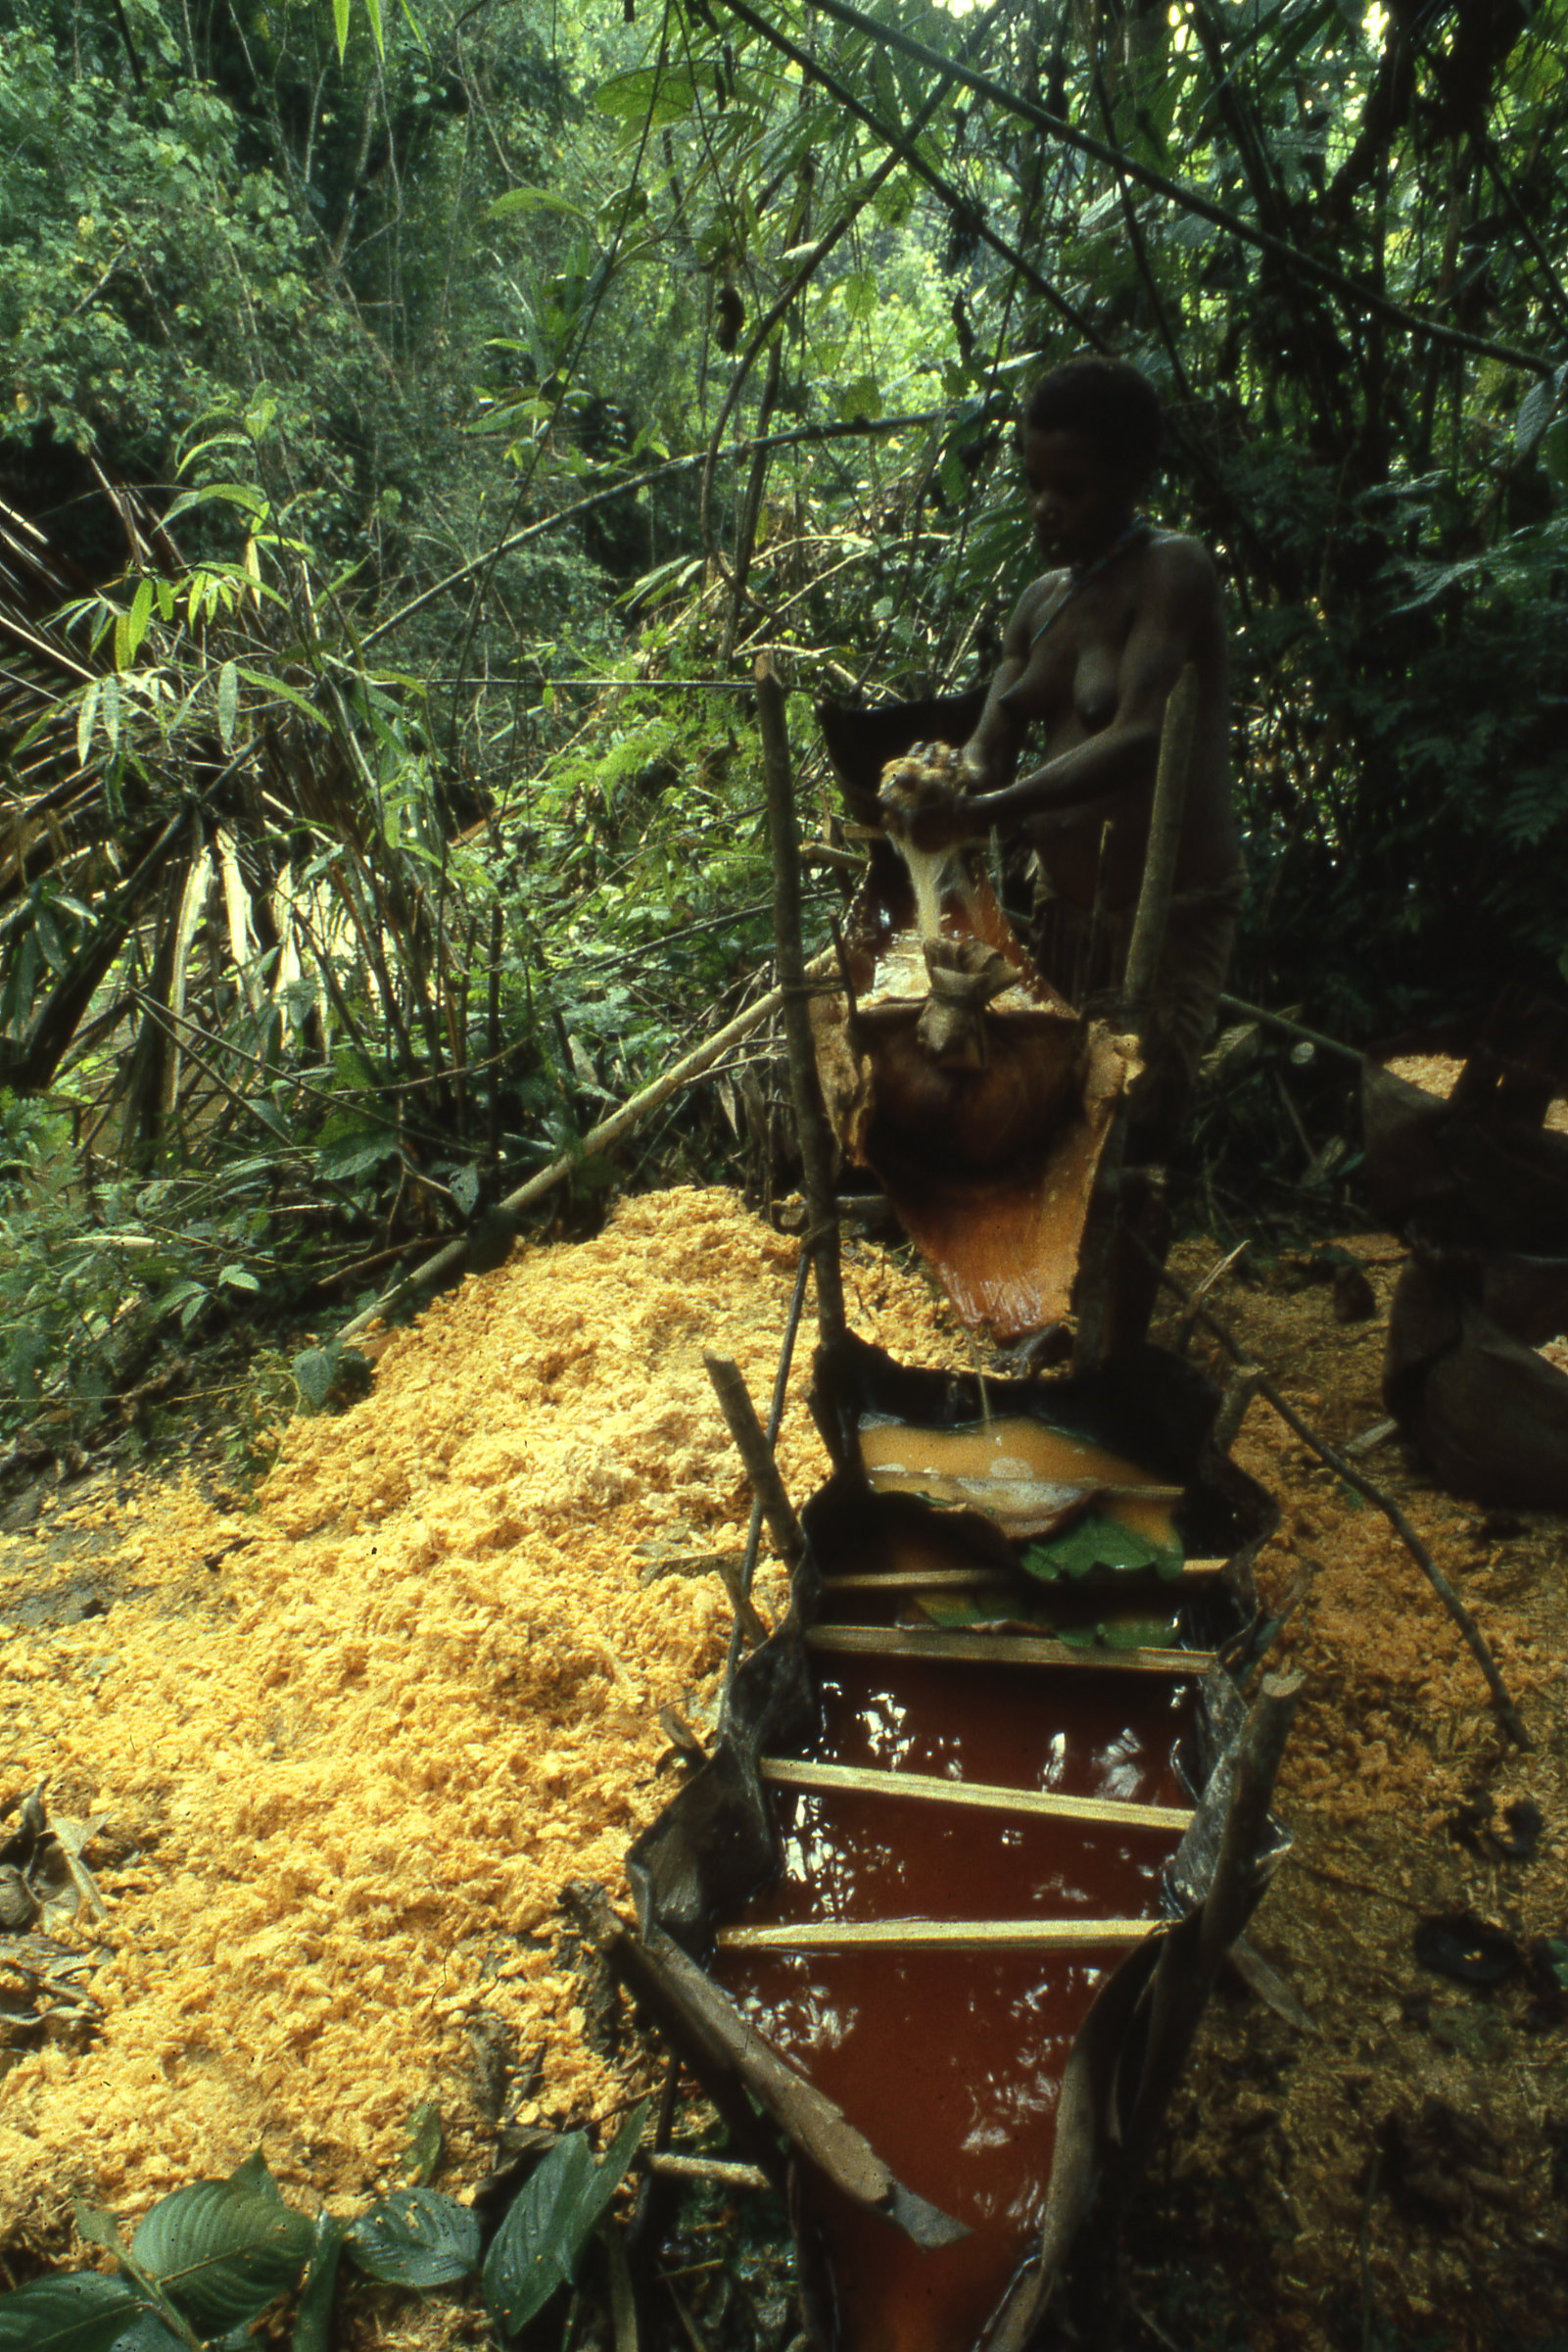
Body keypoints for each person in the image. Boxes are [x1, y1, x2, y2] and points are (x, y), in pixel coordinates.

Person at [882, 354, 1245, 1340]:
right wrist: (941, 777)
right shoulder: (1038, 603)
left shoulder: (1172, 572)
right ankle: (1051, 1324)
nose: (1045, 507)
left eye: (1070, 487)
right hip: (1067, 914)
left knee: (1134, 1127)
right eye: (1034, 483)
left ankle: (1111, 1356)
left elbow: (1135, 738)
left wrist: (985, 811)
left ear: (1128, 478)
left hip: (1164, 914)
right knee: (1053, 1123)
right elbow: (986, 742)